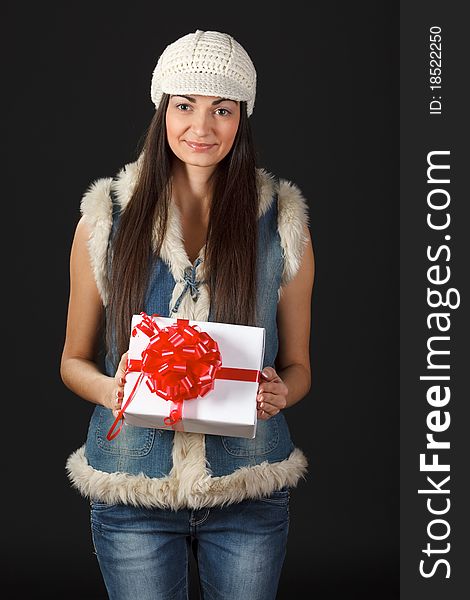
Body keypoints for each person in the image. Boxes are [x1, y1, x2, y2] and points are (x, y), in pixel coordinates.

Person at [61, 29, 315, 600]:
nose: (201, 128)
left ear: (241, 118)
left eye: (221, 110)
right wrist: (113, 389)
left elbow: (299, 366)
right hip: (133, 489)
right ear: (162, 110)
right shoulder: (107, 217)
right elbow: (72, 362)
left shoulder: (282, 222)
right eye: (185, 106)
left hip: (247, 486)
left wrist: (283, 393)